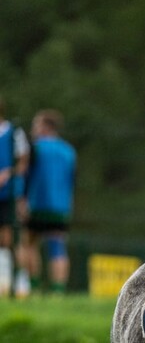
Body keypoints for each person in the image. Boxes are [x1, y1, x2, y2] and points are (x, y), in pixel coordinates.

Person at [20, 109, 76, 294]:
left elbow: (25, 176)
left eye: (36, 124)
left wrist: (22, 200)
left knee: (28, 243)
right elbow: (71, 181)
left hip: (37, 205)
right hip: (60, 207)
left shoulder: (34, 148)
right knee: (58, 247)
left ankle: (33, 286)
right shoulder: (69, 151)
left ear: (45, 126)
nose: (33, 129)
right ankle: (58, 290)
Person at [0, 96, 30, 297]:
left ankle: (19, 282)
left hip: (9, 194)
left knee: (10, 238)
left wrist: (7, 174)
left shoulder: (14, 133)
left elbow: (23, 161)